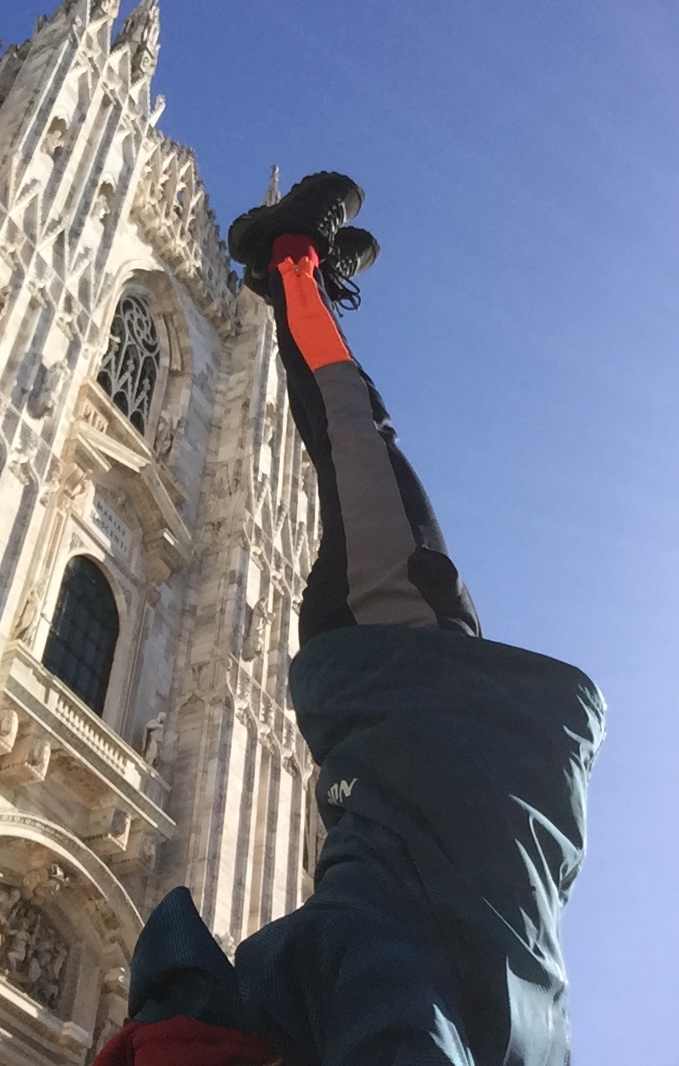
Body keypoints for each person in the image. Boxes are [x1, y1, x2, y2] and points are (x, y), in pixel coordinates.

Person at [93, 173, 605, 1066]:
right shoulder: (343, 982)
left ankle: (288, 259)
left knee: (355, 426)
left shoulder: (371, 972)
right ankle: (293, 274)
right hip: (446, 718)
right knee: (355, 434)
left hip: (399, 665)